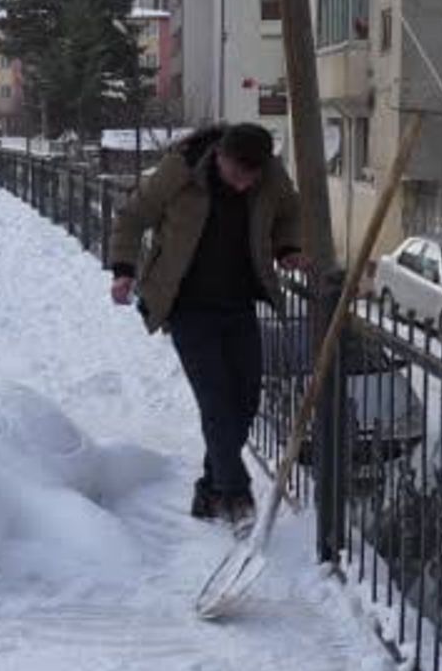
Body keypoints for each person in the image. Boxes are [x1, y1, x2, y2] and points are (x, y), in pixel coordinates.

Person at [108, 123, 307, 526]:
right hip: (186, 305)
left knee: (246, 400)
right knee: (216, 401)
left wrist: (287, 247)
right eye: (236, 174)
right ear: (219, 156)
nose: (241, 185)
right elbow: (132, 216)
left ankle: (209, 492)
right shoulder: (179, 170)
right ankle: (237, 496)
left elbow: (290, 212)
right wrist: (123, 270)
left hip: (239, 304)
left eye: (250, 178)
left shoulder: (270, 176)